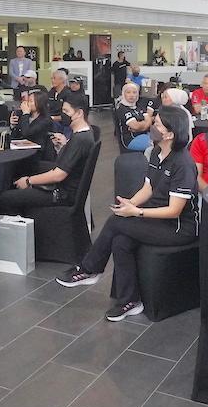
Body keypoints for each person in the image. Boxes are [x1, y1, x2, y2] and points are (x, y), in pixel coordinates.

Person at [56, 105, 199, 321]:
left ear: (170, 134)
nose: (152, 126)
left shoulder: (183, 163)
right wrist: (130, 204)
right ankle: (129, 301)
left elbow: (174, 211)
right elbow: (148, 188)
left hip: (179, 228)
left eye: (157, 124)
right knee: (121, 240)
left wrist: (137, 212)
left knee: (117, 223)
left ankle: (89, 268)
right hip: (157, 217)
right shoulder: (157, 152)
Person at [0, 93, 96, 214]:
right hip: (66, 186)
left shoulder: (80, 140)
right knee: (28, 167)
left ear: (79, 113)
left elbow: (58, 175)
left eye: (66, 111)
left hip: (62, 193)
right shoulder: (85, 133)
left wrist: (29, 181)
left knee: (6, 198)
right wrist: (62, 146)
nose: (63, 115)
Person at [9, 88, 56, 160]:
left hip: (37, 153)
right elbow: (16, 135)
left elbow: (26, 133)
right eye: (28, 101)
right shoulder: (24, 115)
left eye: (31, 101)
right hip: (21, 149)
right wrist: (13, 125)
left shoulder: (45, 120)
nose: (28, 103)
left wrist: (25, 113)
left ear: (39, 103)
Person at [116, 82, 154, 152]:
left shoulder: (139, 105)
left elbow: (149, 121)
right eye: (128, 92)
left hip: (144, 134)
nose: (131, 95)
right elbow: (136, 126)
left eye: (134, 92)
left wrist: (139, 128)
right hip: (131, 139)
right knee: (157, 145)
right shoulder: (122, 108)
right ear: (123, 94)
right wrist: (144, 125)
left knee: (163, 140)